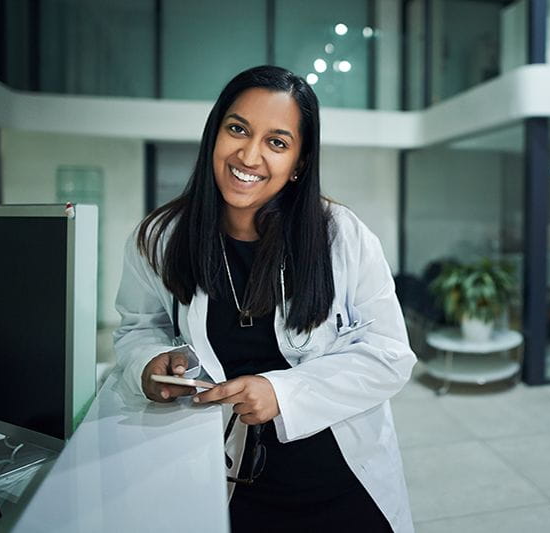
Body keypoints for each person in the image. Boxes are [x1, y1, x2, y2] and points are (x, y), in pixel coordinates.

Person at [113, 65, 416, 533]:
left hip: (343, 483)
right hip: (230, 484)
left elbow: (390, 355)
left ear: (298, 163)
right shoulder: (158, 238)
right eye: (237, 129)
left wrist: (282, 392)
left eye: (277, 142)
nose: (249, 155)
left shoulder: (342, 236)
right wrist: (149, 363)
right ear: (214, 133)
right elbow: (137, 327)